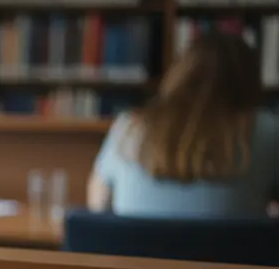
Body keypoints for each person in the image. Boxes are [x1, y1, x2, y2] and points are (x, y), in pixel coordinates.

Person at [87, 31, 279, 218]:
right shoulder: (269, 132)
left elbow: (97, 205)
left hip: (133, 250)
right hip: (230, 251)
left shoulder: (129, 128)